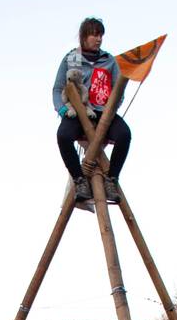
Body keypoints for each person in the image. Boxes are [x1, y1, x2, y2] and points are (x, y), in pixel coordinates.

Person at [53, 17, 130, 207]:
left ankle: (111, 179)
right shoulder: (71, 58)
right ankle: (79, 180)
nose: (99, 39)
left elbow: (118, 89)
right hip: (78, 112)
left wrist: (111, 109)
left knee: (124, 135)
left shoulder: (109, 60)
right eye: (95, 35)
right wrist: (63, 109)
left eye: (101, 35)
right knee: (63, 136)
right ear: (84, 36)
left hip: (104, 112)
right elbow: (58, 88)